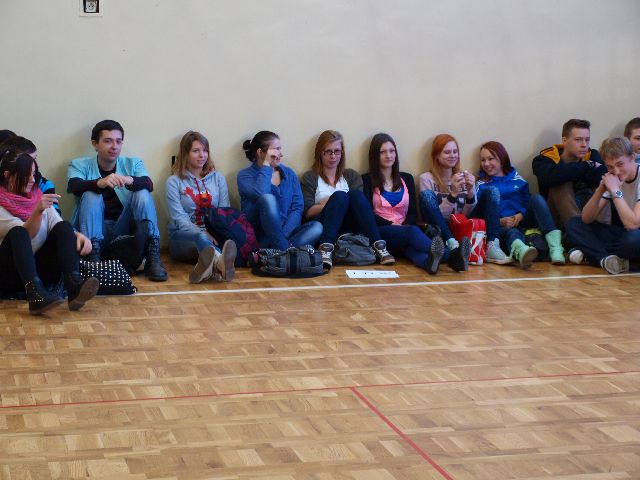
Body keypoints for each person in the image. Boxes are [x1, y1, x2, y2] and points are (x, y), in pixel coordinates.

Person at [67, 119, 167, 281]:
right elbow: (74, 186)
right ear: (95, 144)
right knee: (91, 194)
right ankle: (93, 260)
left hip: (122, 229)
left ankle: (152, 257)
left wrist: (129, 180)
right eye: (108, 141)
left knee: (142, 192)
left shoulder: (133, 163)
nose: (114, 146)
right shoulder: (79, 164)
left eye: (118, 141)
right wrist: (99, 183)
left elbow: (149, 184)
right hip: (93, 230)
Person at [0, 151, 99, 314]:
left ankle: (74, 285)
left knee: (65, 227)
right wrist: (38, 211)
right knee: (18, 232)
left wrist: (78, 235)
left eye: (33, 174)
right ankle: (35, 295)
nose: (32, 180)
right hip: (11, 275)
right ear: (8, 175)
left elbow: (58, 226)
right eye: (26, 175)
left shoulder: (37, 196)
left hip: (39, 270)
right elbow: (26, 237)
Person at [362, 133, 471, 274]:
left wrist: (404, 225)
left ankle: (429, 264)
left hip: (405, 231)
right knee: (412, 231)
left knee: (413, 250)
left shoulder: (406, 178)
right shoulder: (366, 180)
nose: (388, 155)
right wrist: (391, 224)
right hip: (382, 233)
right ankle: (452, 257)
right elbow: (367, 215)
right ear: (374, 155)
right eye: (382, 152)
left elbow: (413, 213)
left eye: (392, 151)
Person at [300, 130, 395, 269]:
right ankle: (326, 248)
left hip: (350, 225)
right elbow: (308, 212)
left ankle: (379, 245)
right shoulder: (310, 177)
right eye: (328, 152)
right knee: (340, 196)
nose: (333, 156)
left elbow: (360, 207)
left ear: (342, 153)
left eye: (337, 151)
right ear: (320, 153)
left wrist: (328, 202)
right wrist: (335, 203)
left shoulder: (351, 176)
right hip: (324, 225)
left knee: (354, 195)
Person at [418, 133, 511, 264]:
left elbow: (467, 216)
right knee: (426, 195)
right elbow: (439, 216)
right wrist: (453, 194)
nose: (452, 155)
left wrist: (471, 192)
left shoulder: (463, 176)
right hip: (443, 230)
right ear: (437, 156)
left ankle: (492, 245)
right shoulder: (426, 179)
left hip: (463, 226)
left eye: (455, 151)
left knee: (492, 191)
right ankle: (453, 246)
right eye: (447, 152)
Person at [477, 141, 566, 267]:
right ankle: (521, 251)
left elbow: (528, 203)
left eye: (490, 159)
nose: (486, 164)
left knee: (537, 199)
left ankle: (555, 248)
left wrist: (521, 215)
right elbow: (478, 214)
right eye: (483, 160)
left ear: (501, 159)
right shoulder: (481, 185)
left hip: (523, 221)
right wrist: (499, 221)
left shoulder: (518, 179)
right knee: (510, 232)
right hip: (500, 226)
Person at [166, 131, 236, 283]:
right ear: (185, 154)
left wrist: (214, 233)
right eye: (196, 151)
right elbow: (179, 219)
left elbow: (224, 212)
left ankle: (206, 268)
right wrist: (203, 233)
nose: (202, 155)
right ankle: (221, 263)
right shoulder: (174, 181)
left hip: (214, 235)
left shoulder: (218, 178)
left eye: (205, 150)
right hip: (182, 238)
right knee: (200, 237)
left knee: (223, 239)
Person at [565, 137, 640, 274]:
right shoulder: (614, 178)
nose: (616, 171)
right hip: (625, 235)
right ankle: (605, 260)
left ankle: (593, 255)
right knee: (574, 224)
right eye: (610, 167)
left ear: (632, 158)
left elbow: (633, 224)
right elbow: (586, 218)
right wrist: (600, 190)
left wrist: (615, 191)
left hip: (635, 235)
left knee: (632, 239)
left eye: (620, 164)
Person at [237, 130, 322, 252]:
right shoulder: (244, 176)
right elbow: (262, 192)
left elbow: (297, 207)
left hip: (286, 234)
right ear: (260, 153)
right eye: (276, 149)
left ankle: (274, 253)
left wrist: (282, 234)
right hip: (260, 237)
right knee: (267, 199)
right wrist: (266, 164)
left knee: (317, 227)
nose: (281, 154)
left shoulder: (289, 174)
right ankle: (285, 251)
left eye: (280, 149)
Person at [532, 119, 606, 227]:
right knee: (560, 182)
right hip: (558, 215)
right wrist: (586, 166)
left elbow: (602, 176)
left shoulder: (592, 155)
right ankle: (578, 231)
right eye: (578, 140)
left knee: (603, 184)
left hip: (587, 208)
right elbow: (549, 177)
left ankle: (603, 227)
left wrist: (576, 170)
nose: (584, 145)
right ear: (564, 140)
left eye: (587, 140)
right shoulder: (543, 160)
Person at [0, 134, 61, 214]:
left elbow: (55, 216)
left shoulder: (45, 185)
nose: (36, 165)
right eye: (28, 161)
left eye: (35, 159)